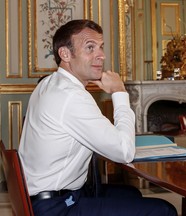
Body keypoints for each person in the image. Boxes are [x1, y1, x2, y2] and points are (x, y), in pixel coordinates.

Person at [19, 19, 177, 216]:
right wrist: (119, 92)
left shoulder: (50, 83)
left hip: (48, 195)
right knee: (163, 210)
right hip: (56, 207)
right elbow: (124, 152)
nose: (101, 55)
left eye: (101, 47)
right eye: (90, 48)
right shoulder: (72, 96)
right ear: (65, 54)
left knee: (132, 194)